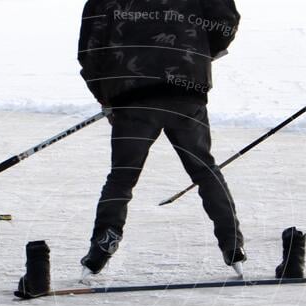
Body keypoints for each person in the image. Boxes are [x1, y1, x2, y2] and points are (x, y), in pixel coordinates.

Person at [77, 0, 246, 277]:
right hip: (186, 87)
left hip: (131, 93)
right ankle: (233, 246)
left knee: (122, 177)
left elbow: (89, 49)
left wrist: (104, 95)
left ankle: (100, 250)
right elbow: (225, 20)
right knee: (204, 170)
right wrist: (199, 52)